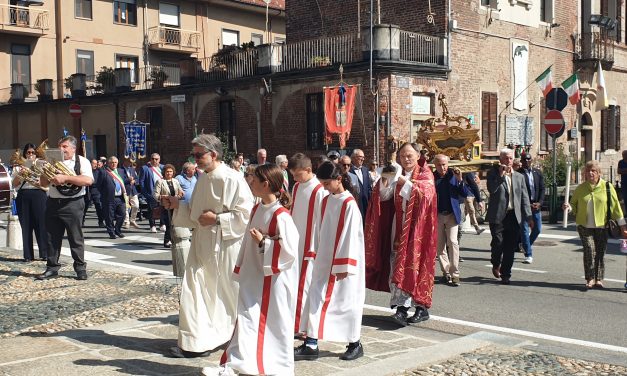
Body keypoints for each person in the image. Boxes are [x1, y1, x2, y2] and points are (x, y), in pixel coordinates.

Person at [204, 164, 299, 376]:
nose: (250, 182)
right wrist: (242, 267)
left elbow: (290, 252)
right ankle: (235, 366)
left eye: (254, 180)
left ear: (266, 185)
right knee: (246, 320)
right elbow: (248, 241)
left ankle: (276, 367)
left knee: (273, 325)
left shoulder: (281, 216)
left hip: (272, 282)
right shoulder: (257, 209)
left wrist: (264, 242)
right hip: (253, 276)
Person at [168, 134, 254, 358]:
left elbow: (246, 215)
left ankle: (233, 338)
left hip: (225, 246)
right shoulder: (204, 178)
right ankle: (196, 343)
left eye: (199, 155)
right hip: (202, 245)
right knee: (195, 291)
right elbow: (197, 213)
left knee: (227, 295)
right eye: (194, 155)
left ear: (213, 154)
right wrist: (178, 204)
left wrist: (218, 220)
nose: (195, 159)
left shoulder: (232, 178)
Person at [294, 161, 365, 361]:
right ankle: (311, 343)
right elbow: (320, 228)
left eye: (326, 184)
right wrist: (315, 251)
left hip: (344, 263)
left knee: (346, 303)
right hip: (324, 259)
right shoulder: (327, 200)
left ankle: (355, 343)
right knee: (315, 297)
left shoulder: (349, 204)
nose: (324, 188)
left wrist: (343, 264)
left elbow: (351, 235)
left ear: (338, 179)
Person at [365, 143, 437, 327]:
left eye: (410, 155)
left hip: (418, 228)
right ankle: (401, 308)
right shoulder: (398, 173)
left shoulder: (425, 174)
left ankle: (421, 307)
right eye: (403, 156)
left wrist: (407, 184)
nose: (406, 159)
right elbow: (384, 197)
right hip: (399, 225)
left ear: (418, 155)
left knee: (416, 265)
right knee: (396, 262)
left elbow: (426, 196)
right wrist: (385, 180)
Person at [36, 135, 94, 281]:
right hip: (53, 202)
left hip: (73, 203)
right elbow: (43, 184)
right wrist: (46, 171)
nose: (61, 149)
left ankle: (80, 269)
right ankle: (52, 268)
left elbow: (88, 180)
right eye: (60, 146)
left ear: (73, 148)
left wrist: (66, 178)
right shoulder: (52, 162)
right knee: (51, 238)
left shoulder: (82, 161)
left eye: (65, 147)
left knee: (76, 238)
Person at [563, 160, 626, 289]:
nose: (590, 173)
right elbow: (573, 204)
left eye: (593, 171)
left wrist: (623, 226)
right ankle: (590, 278)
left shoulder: (607, 187)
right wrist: (568, 207)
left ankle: (599, 279)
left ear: (599, 173)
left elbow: (616, 208)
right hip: (584, 226)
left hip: (602, 226)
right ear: (585, 173)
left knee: (600, 253)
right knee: (589, 250)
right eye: (588, 171)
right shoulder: (581, 188)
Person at [288, 153, 327, 336]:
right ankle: (294, 322)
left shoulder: (319, 190)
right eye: (293, 175)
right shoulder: (296, 187)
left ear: (308, 170)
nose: (294, 178)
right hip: (295, 241)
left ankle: (302, 327)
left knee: (305, 286)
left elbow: (322, 220)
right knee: (294, 284)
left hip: (310, 243)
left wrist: (318, 246)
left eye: (297, 174)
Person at [486, 148, 533, 285]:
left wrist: (529, 216)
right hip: (498, 215)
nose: (509, 161)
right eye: (506, 158)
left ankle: (506, 274)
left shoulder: (519, 177)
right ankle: (496, 263)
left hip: (513, 216)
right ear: (500, 159)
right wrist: (501, 176)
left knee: (510, 247)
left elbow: (524, 197)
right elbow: (491, 189)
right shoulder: (493, 173)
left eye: (511, 158)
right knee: (498, 243)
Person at [433, 155, 469, 286]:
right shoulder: (432, 177)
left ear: (448, 164)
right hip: (437, 215)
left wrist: (460, 180)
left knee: (453, 242)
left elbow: (465, 193)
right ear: (435, 165)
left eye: (444, 164)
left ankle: (455, 273)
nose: (442, 167)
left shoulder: (454, 175)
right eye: (439, 165)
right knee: (440, 246)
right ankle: (446, 271)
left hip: (452, 215)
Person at [11, 143, 49, 262]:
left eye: (33, 152)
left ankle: (44, 253)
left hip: (39, 194)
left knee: (41, 224)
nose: (31, 155)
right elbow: (14, 184)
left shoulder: (41, 164)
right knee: (26, 225)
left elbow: (47, 181)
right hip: (24, 195)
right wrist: (21, 174)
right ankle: (28, 255)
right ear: (25, 154)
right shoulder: (19, 166)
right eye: (28, 152)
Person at [95, 156, 130, 239]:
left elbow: (124, 181)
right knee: (109, 216)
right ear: (108, 163)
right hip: (109, 198)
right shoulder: (103, 172)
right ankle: (111, 233)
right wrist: (105, 193)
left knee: (122, 214)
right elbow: (99, 185)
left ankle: (117, 230)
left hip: (120, 197)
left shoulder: (121, 171)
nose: (114, 164)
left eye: (115, 162)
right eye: (112, 162)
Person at [520, 153, 545, 264]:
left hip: (536, 206)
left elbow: (542, 189)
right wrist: (526, 204)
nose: (527, 161)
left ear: (531, 160)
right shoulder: (518, 174)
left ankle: (525, 245)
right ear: (522, 161)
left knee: (537, 229)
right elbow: (517, 192)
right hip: (524, 206)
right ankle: (528, 254)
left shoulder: (537, 173)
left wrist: (539, 203)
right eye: (525, 160)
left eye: (529, 159)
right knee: (525, 230)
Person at [154, 164, 183, 248]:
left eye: (170, 171)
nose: (169, 173)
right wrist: (165, 197)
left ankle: (173, 239)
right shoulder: (160, 181)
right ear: (164, 172)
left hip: (175, 205)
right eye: (167, 171)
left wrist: (179, 196)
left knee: (175, 223)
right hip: (165, 206)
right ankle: (167, 241)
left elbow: (180, 192)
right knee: (169, 224)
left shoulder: (175, 181)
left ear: (173, 172)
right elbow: (155, 195)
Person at [139, 153, 164, 233]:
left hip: (162, 192)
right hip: (151, 192)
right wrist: (145, 193)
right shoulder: (145, 168)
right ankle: (152, 225)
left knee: (163, 208)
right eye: (153, 158)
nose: (154, 160)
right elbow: (141, 182)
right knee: (152, 209)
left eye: (156, 159)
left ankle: (162, 224)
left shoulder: (163, 168)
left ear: (159, 160)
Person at [350, 149, 372, 223]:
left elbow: (368, 187)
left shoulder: (365, 170)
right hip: (355, 202)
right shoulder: (349, 170)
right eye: (360, 157)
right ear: (354, 157)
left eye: (363, 157)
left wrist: (370, 200)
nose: (362, 159)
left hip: (366, 202)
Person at [121, 158, 140, 229]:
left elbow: (137, 178)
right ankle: (127, 222)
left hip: (133, 190)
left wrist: (134, 181)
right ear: (125, 161)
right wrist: (128, 180)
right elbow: (120, 180)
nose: (130, 163)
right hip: (125, 190)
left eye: (131, 162)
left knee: (136, 205)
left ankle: (132, 220)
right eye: (128, 161)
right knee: (126, 207)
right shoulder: (121, 170)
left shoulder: (132, 169)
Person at [87, 159, 105, 227]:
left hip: (96, 190)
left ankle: (101, 221)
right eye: (93, 163)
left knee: (98, 206)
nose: (95, 165)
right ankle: (81, 221)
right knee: (85, 206)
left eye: (96, 163)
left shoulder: (99, 171)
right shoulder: (87, 171)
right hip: (87, 190)